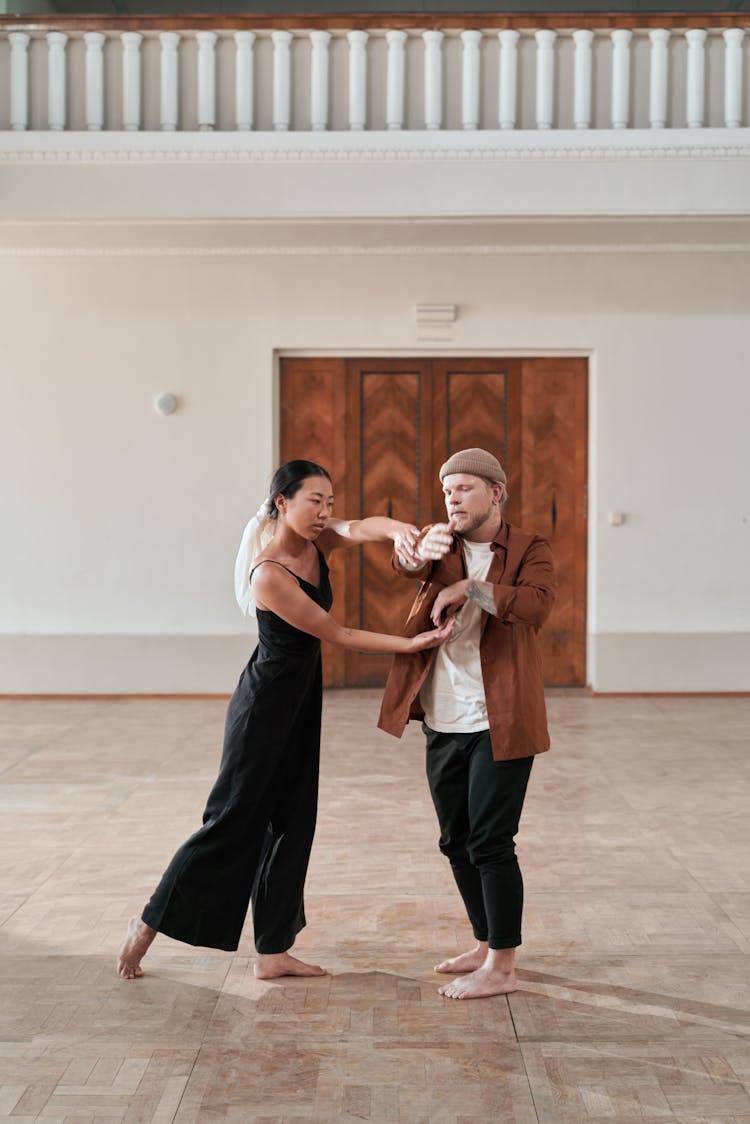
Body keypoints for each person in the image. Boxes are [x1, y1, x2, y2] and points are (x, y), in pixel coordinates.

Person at [118, 459, 453, 981]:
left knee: (294, 821)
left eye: (329, 501)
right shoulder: (270, 573)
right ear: (282, 502)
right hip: (263, 707)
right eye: (313, 501)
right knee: (233, 821)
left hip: (299, 701)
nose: (325, 512)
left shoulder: (318, 540)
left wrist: (402, 532)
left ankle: (272, 951)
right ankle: (147, 925)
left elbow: (362, 527)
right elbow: (337, 635)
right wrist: (410, 644)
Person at [378, 448, 556, 1000]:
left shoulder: (530, 548)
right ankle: (485, 943)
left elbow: (537, 606)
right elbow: (404, 566)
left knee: (490, 840)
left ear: (495, 493)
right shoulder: (440, 543)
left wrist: (470, 589)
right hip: (443, 715)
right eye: (445, 490)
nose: (452, 497)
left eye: (464, 488)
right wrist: (412, 552)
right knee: (455, 840)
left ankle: (503, 965)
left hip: (501, 719)